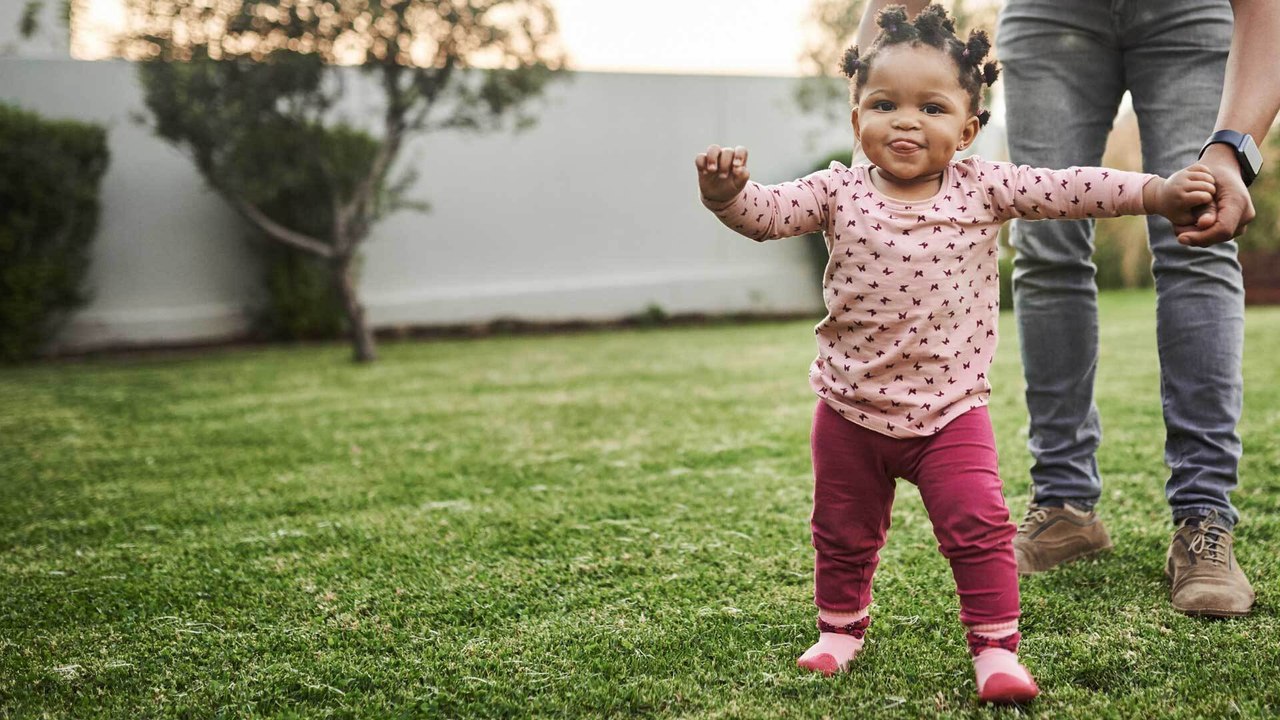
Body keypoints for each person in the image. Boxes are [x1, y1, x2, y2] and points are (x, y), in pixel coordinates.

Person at [694, 4, 1217, 704]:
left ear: (968, 130)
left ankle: (996, 650)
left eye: (932, 107)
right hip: (848, 412)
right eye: (885, 104)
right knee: (841, 532)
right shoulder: (836, 190)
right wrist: (727, 197)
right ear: (856, 118)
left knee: (979, 530)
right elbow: (768, 214)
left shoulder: (984, 187)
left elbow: (1074, 186)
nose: (905, 121)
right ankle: (839, 630)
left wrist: (1157, 192)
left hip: (950, 416)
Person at [855, 0, 1280, 619]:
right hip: (1050, 16)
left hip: (1191, 12)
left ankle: (1204, 515)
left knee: (1198, 231)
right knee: (1047, 245)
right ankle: (1063, 504)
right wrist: (867, 117)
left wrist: (1232, 151)